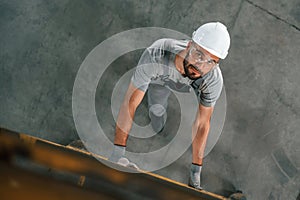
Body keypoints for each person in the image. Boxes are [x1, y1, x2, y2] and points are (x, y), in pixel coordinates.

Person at [109, 22, 231, 190]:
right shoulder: (158, 54)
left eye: (211, 62)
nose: (200, 66)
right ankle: (156, 116)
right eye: (199, 55)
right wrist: (118, 153)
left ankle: (158, 116)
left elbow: (202, 123)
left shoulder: (212, 80)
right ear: (189, 45)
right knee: (157, 106)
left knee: (160, 107)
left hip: (180, 84)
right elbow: (131, 101)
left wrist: (196, 172)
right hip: (160, 80)